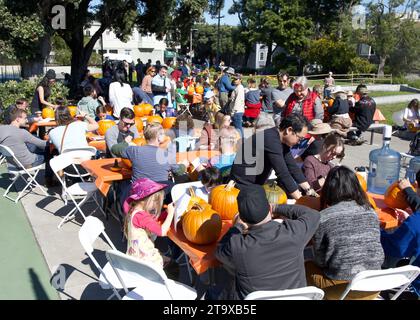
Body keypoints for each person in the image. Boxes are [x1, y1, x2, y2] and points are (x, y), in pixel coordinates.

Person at [215, 184, 320, 300]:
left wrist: (237, 227)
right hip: (297, 298)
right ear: (269, 209)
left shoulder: (237, 246)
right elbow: (313, 215)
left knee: (214, 291)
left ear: (242, 218)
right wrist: (277, 207)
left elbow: (219, 251)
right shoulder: (293, 232)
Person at [306, 166, 385, 300]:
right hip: (373, 286)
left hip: (342, 290)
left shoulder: (323, 218)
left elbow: (320, 261)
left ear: (328, 189)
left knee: (306, 265)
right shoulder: (371, 212)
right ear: (356, 187)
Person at [230, 113, 316, 199]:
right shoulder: (271, 140)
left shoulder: (281, 139)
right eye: (299, 138)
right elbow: (282, 173)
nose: (299, 142)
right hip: (242, 186)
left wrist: (309, 190)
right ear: (289, 130)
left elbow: (292, 166)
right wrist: (301, 199)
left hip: (254, 185)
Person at [380, 172, 420, 298]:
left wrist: (377, 229)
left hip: (416, 286)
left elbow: (392, 247)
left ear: (417, 185)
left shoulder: (415, 223)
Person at [122, 178, 174, 268]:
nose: (157, 204)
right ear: (144, 200)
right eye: (155, 201)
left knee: (166, 259)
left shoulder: (134, 211)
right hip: (145, 259)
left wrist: (166, 213)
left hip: (135, 254)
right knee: (172, 266)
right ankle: (162, 281)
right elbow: (162, 232)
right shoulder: (142, 216)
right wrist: (171, 213)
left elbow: (152, 222)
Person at [0, 108, 54, 186]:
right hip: (27, 163)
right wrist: (51, 138)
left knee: (34, 149)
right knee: (50, 152)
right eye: (25, 118)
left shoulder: (1, 129)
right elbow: (43, 144)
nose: (26, 120)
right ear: (18, 119)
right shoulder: (22, 132)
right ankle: (49, 181)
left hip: (13, 163)